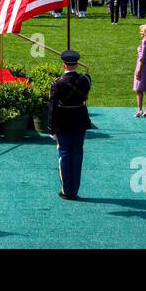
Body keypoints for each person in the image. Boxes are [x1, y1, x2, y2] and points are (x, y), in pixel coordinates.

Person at [48, 50, 91, 200]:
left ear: (63, 64)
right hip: (80, 121)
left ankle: (67, 190)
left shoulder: (57, 83)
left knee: (65, 155)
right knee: (77, 154)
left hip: (63, 122)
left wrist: (51, 129)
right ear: (77, 63)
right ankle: (74, 190)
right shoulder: (85, 80)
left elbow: (52, 108)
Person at [133, 24, 146, 117]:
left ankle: (139, 110)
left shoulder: (145, 41)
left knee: (139, 89)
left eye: (142, 30)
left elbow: (143, 57)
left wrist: (139, 69)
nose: (140, 32)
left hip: (143, 65)